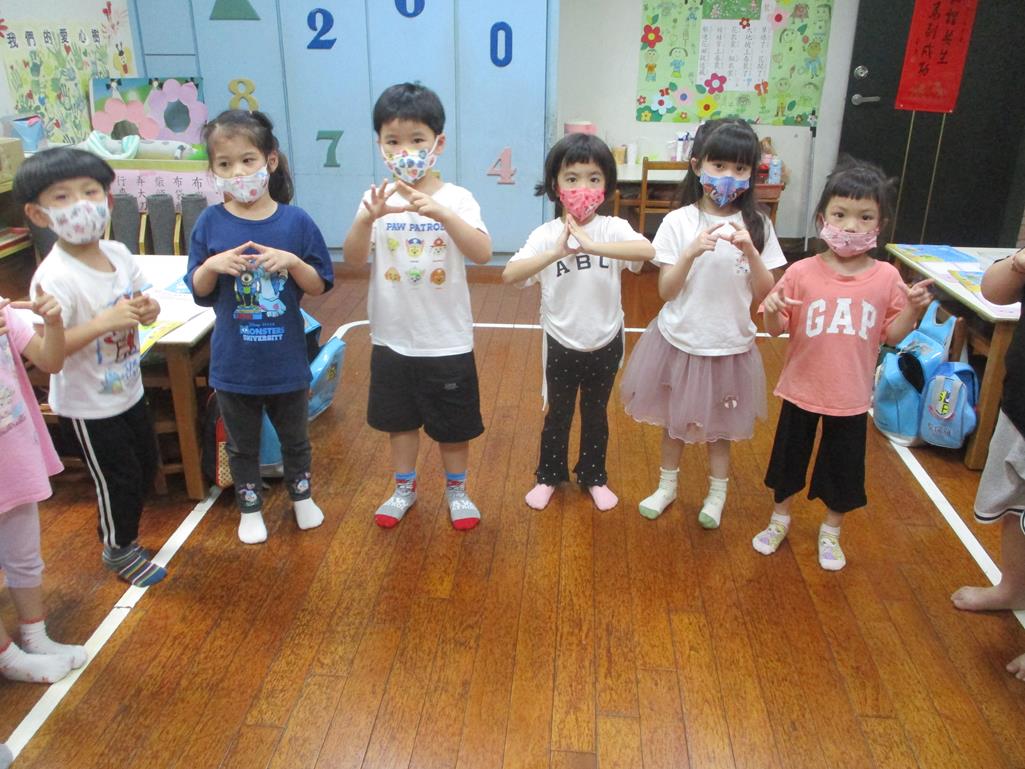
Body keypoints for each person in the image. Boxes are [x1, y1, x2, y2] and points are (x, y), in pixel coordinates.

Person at [751, 158, 932, 570]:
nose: (851, 226)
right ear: (822, 219)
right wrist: (772, 309)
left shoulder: (886, 277)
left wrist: (914, 310)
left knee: (843, 468)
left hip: (850, 397)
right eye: (840, 214)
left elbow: (892, 335)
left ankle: (831, 532)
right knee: (788, 461)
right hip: (800, 388)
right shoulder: (801, 271)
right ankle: (779, 519)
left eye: (864, 217)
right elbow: (775, 329)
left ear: (880, 225)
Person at [620, 119, 785, 527]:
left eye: (740, 169)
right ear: (697, 166)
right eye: (719, 165)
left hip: (729, 345)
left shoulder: (759, 224)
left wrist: (752, 253)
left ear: (752, 173)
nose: (728, 177)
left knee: (721, 429)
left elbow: (767, 292)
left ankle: (716, 495)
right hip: (679, 340)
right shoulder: (679, 221)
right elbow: (666, 290)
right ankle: (667, 487)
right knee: (674, 423)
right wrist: (690, 253)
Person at [343, 82, 491, 531]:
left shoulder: (458, 198)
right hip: (392, 337)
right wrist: (366, 218)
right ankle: (403, 488)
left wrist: (443, 214)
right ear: (379, 145)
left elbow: (483, 253)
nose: (404, 151)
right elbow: (353, 259)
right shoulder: (376, 199)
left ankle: (457, 490)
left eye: (416, 140)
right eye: (393, 141)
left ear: (437, 144)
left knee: (453, 426)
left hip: (446, 339)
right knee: (399, 422)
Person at [19, 147, 165, 587]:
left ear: (108, 200)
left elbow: (143, 306)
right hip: (88, 405)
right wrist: (103, 323)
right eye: (62, 197)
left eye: (90, 191)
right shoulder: (54, 277)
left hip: (129, 389)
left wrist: (148, 309)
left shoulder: (118, 253)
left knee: (145, 466)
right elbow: (51, 355)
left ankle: (125, 536)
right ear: (39, 214)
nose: (81, 205)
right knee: (117, 478)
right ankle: (118, 548)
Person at [187, 110, 334, 544]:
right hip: (235, 362)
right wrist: (212, 265)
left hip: (286, 359)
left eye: (247, 160)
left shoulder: (296, 221)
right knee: (241, 444)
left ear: (270, 160)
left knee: (296, 439)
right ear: (214, 170)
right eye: (225, 164)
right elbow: (198, 288)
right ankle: (249, 508)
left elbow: (319, 283)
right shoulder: (210, 222)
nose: (238, 172)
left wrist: (292, 261)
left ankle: (302, 497)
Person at [503, 133, 653, 511]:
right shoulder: (545, 235)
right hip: (561, 340)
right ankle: (548, 476)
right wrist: (556, 252)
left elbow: (646, 251)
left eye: (593, 178)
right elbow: (510, 274)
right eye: (572, 178)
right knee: (558, 414)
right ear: (556, 186)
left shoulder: (613, 229)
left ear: (606, 186)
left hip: (606, 341)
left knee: (595, 414)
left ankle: (594, 476)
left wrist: (591, 245)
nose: (582, 187)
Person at [0, 290, 88, 683]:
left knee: (23, 554)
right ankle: (8, 658)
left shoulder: (3, 311)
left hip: (12, 453)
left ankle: (35, 637)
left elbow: (50, 361)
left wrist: (53, 323)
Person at [950, 245, 1025, 681]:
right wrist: (1018, 263)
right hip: (1020, 408)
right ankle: (1012, 587)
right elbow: (994, 292)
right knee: (1014, 509)